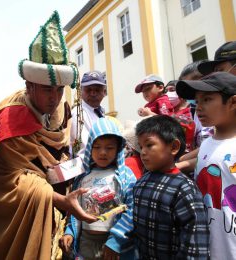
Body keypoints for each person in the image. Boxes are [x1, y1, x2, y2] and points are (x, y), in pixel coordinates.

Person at [0, 11, 96, 260]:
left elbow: (62, 152)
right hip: (15, 216)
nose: (54, 98)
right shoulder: (10, 116)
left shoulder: (63, 108)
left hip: (57, 209)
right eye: (46, 90)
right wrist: (58, 199)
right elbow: (7, 180)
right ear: (29, 85)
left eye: (59, 89)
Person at [176, 72, 236, 259]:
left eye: (207, 99)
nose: (199, 108)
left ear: (233, 102)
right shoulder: (208, 144)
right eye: (197, 101)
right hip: (209, 247)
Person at [133, 115, 210, 259]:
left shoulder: (184, 189)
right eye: (141, 146)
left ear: (174, 147)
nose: (142, 152)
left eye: (149, 145)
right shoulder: (141, 183)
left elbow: (195, 244)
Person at [60, 118, 136, 259]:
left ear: (118, 149)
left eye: (109, 148)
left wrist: (115, 241)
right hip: (86, 242)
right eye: (97, 147)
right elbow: (74, 208)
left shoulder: (126, 176)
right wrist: (70, 231)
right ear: (89, 147)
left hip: (113, 244)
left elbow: (132, 210)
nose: (102, 152)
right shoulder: (82, 177)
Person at [70, 70, 107, 157]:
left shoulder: (100, 113)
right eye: (88, 90)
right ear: (81, 92)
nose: (93, 93)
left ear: (104, 92)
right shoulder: (78, 114)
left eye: (97, 90)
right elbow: (84, 150)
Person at [165, 80, 195, 152]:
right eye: (166, 91)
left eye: (172, 90)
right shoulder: (168, 111)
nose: (167, 93)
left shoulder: (192, 111)